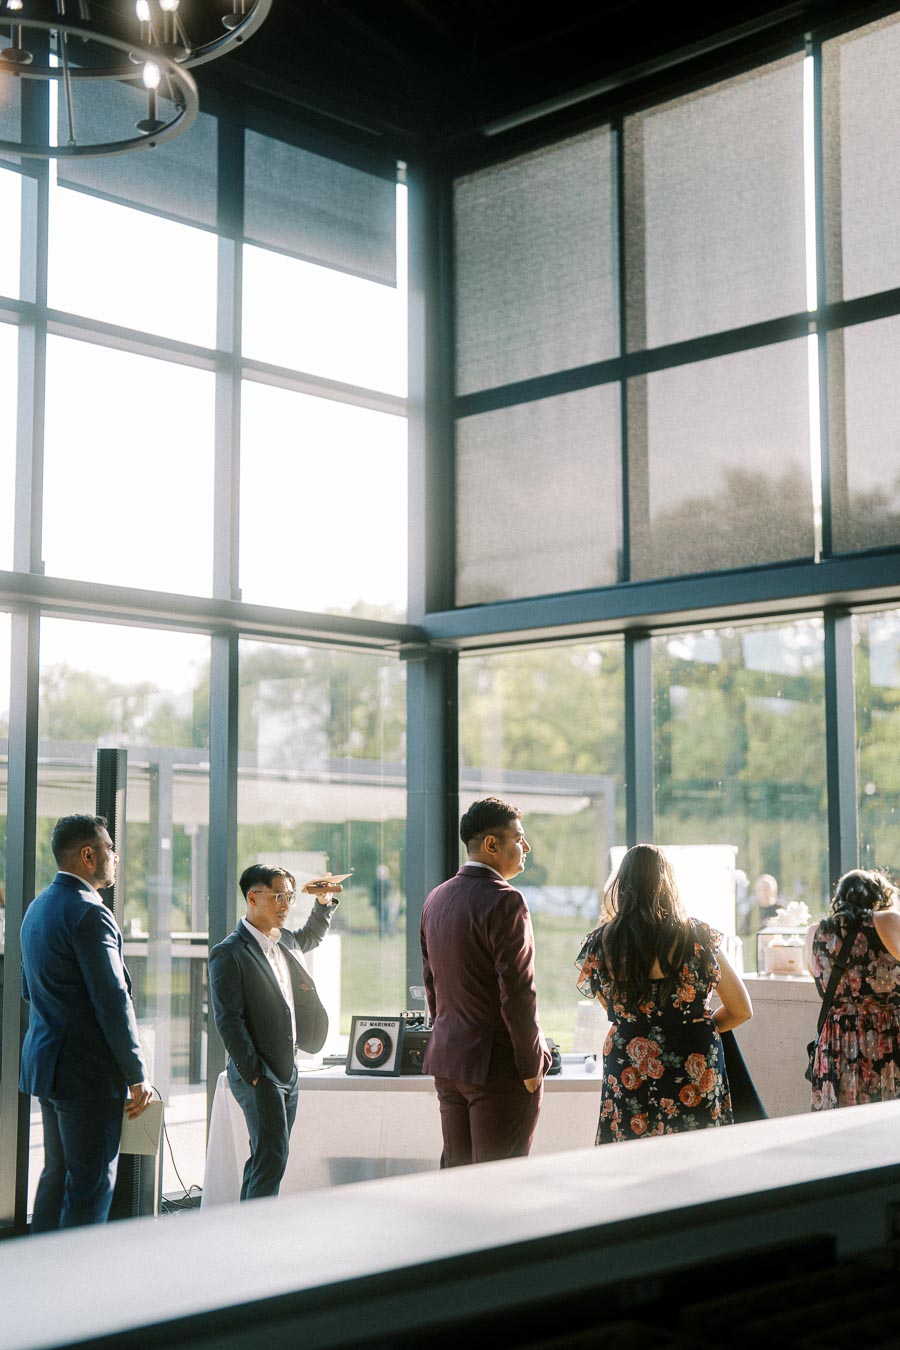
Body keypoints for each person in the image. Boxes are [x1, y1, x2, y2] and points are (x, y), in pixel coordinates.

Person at [19, 815, 152, 1231]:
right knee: (91, 1186)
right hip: (87, 1075)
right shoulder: (89, 912)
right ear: (88, 855)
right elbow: (112, 1001)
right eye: (110, 848)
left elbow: (28, 989)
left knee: (56, 1176)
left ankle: (37, 1263)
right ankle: (78, 1270)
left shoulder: (38, 907)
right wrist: (136, 1072)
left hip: (49, 1067)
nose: (116, 856)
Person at [575, 843, 752, 1143]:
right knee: (696, 1153)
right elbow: (741, 1010)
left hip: (628, 1061)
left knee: (630, 1153)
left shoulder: (602, 944)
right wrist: (697, 1027)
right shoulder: (699, 938)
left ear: (622, 885)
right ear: (668, 883)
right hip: (694, 1059)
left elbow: (611, 1007)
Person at [420, 797, 551, 1167]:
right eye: (519, 838)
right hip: (498, 1068)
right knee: (499, 1183)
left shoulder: (436, 898)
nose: (527, 847)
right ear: (492, 844)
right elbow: (518, 992)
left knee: (458, 1180)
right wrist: (530, 1064)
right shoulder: (506, 901)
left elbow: (432, 985)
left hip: (450, 1061)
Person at [208, 864, 342, 1200]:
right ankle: (257, 1228)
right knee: (272, 1157)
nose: (285, 905)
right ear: (253, 898)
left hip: (287, 1069)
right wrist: (254, 1073)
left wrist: (323, 902)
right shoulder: (229, 952)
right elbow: (229, 1020)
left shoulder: (286, 941)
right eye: (278, 896)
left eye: (289, 897)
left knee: (266, 1158)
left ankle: (247, 1225)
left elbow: (312, 935)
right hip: (260, 1073)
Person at [806, 869, 900, 1111]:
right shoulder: (888, 921)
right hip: (885, 1035)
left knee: (841, 1123)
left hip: (835, 1041)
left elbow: (817, 977)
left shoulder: (814, 933)